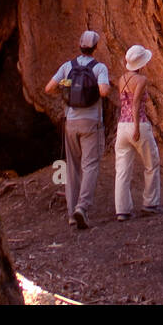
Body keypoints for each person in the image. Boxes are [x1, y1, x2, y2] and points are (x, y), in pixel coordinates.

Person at [45, 30, 111, 229]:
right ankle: (82, 207)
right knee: (90, 165)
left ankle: (71, 214)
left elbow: (49, 88)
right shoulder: (99, 68)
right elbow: (104, 91)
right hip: (91, 122)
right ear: (95, 47)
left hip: (71, 122)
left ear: (80, 46)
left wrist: (69, 84)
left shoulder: (67, 67)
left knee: (72, 167)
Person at [114, 45, 161, 221]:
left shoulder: (121, 80)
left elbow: (124, 103)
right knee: (151, 163)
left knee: (122, 170)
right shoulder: (141, 80)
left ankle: (122, 210)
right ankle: (150, 203)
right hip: (138, 125)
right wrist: (135, 127)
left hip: (121, 127)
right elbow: (135, 104)